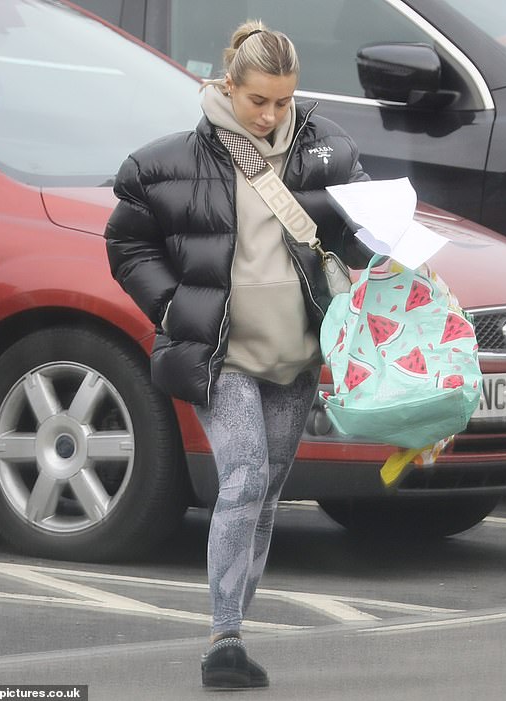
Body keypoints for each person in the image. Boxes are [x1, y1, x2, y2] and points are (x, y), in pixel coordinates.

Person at [104, 19, 370, 690]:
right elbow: (126, 244)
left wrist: (387, 249)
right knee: (245, 478)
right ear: (229, 85)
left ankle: (233, 631)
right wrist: (170, 308)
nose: (273, 114)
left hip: (296, 353)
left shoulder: (330, 151)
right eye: (259, 100)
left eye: (285, 100)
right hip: (220, 354)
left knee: (267, 493)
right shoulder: (167, 164)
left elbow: (359, 237)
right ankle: (222, 636)